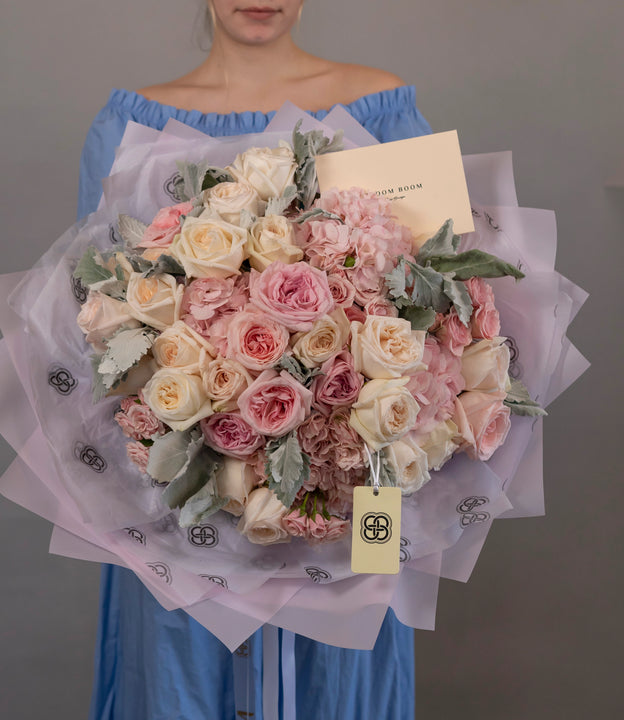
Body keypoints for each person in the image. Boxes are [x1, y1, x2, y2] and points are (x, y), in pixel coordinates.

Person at [80, 2, 431, 718]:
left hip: (361, 480)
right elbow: (96, 321)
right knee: (179, 672)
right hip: (182, 480)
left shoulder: (384, 112)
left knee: (348, 668)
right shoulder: (129, 127)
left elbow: (433, 310)